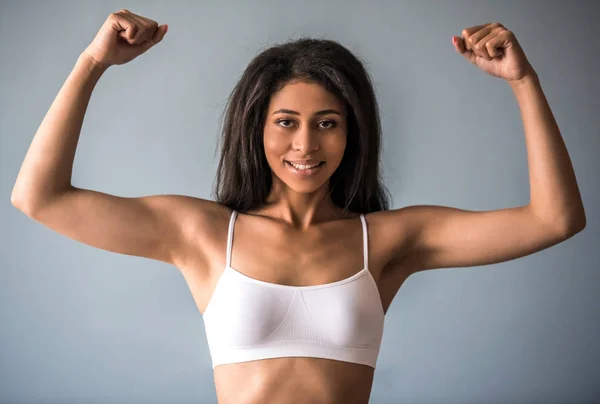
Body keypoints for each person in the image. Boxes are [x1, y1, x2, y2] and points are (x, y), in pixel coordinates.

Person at [11, 9, 586, 404]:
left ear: (351, 134)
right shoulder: (203, 234)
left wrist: (523, 80)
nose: (306, 145)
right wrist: (93, 63)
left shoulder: (387, 241)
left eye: (327, 124)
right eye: (286, 123)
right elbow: (39, 197)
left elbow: (555, 219)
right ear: (255, 130)